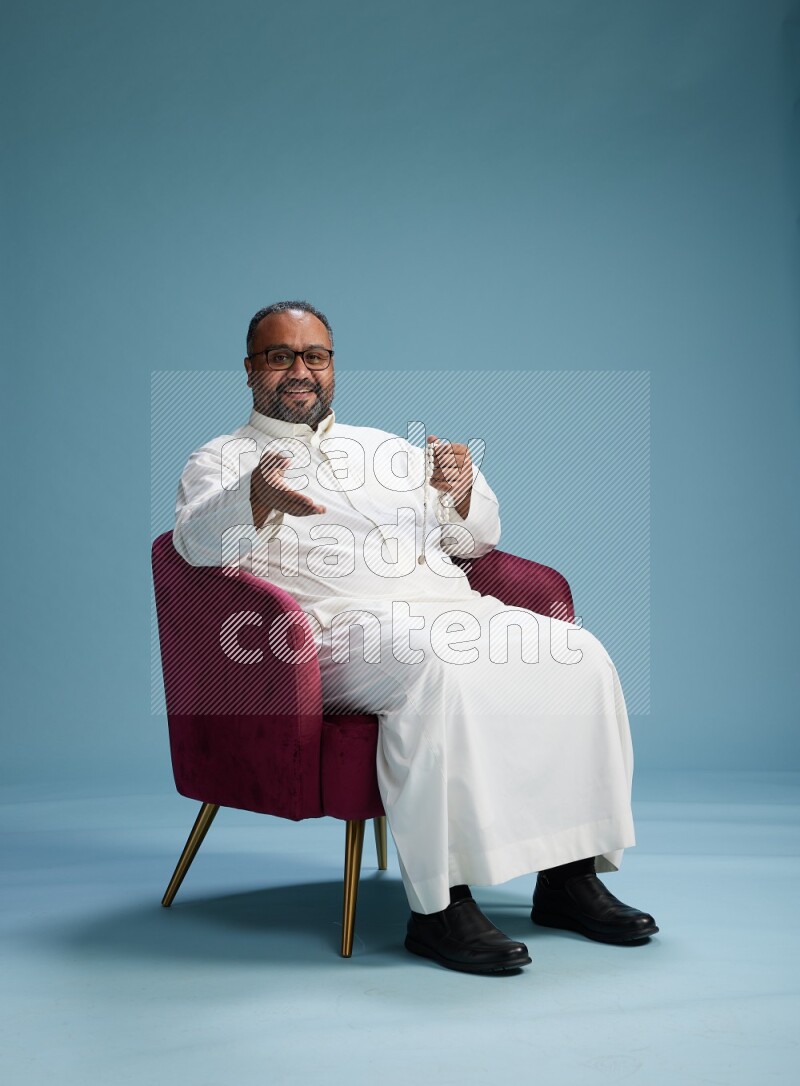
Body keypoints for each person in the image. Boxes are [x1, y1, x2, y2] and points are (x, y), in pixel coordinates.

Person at [173, 299, 658, 974]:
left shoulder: (386, 449)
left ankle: (569, 878)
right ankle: (440, 908)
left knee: (580, 655)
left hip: (446, 608)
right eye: (280, 355)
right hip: (328, 635)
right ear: (251, 368)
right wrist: (255, 496)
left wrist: (461, 492)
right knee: (439, 667)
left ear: (333, 365)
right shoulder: (222, 458)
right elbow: (192, 546)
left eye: (314, 355)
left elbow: (476, 538)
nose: (299, 370)